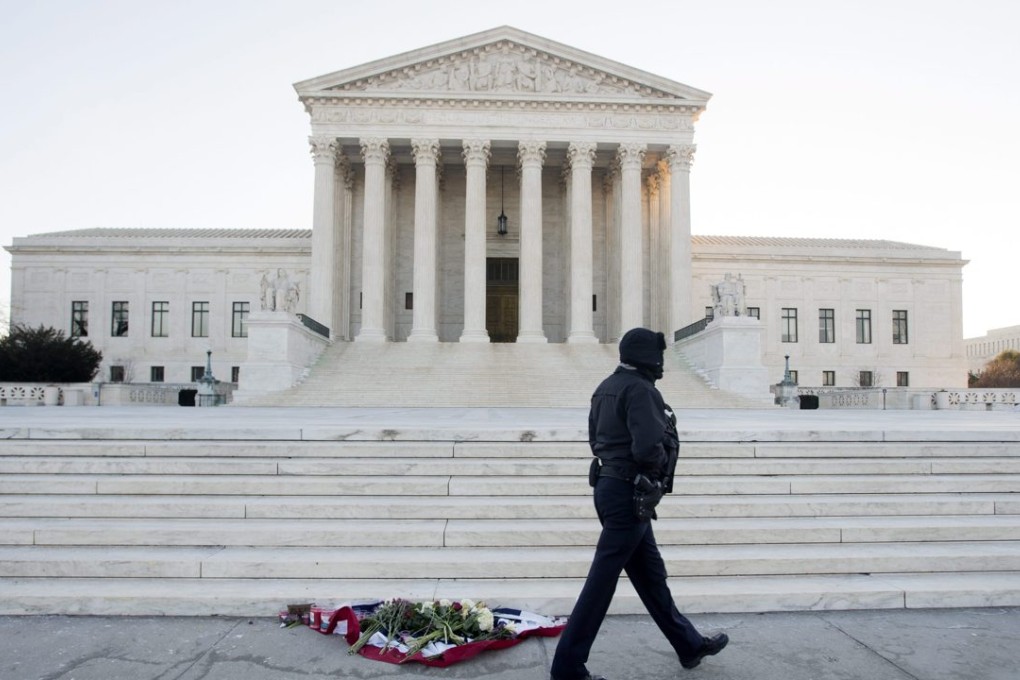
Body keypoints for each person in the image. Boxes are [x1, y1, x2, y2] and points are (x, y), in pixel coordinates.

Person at [550, 328, 729, 680]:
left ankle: (689, 645)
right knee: (601, 582)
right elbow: (648, 446)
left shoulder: (605, 387)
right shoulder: (642, 390)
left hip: (609, 485)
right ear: (649, 356)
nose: (662, 363)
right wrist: (657, 474)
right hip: (629, 492)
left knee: (651, 575)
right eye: (658, 355)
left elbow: (594, 438)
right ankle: (567, 667)